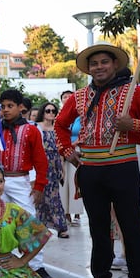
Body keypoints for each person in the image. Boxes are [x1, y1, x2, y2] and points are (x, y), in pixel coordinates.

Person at [55, 42, 140, 278]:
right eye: (94, 63)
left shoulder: (134, 92)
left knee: (131, 227)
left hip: (123, 167)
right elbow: (60, 124)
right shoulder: (79, 97)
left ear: (115, 64)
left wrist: (134, 124)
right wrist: (68, 151)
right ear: (88, 68)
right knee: (98, 229)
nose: (99, 67)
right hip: (91, 170)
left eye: (104, 62)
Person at [0, 88, 54, 278]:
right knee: (0, 222)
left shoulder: (31, 130)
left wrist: (39, 186)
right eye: (3, 106)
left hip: (20, 180)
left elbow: (40, 160)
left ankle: (36, 266)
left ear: (20, 107)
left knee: (29, 221)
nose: (6, 110)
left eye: (10, 106)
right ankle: (6, 263)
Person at [34, 102, 69, 238]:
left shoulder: (57, 129)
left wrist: (62, 168)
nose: (51, 113)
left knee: (54, 196)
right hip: (40, 163)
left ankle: (61, 227)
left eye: (53, 111)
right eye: (48, 111)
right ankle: (39, 227)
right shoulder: (36, 127)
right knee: (40, 196)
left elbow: (60, 150)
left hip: (54, 165)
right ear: (43, 112)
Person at [59, 90, 84, 226]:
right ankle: (65, 213)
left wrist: (75, 144)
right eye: (65, 97)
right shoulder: (59, 115)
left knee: (75, 181)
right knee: (63, 183)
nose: (68, 98)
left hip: (77, 150)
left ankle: (76, 213)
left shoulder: (81, 115)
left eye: (70, 96)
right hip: (62, 151)